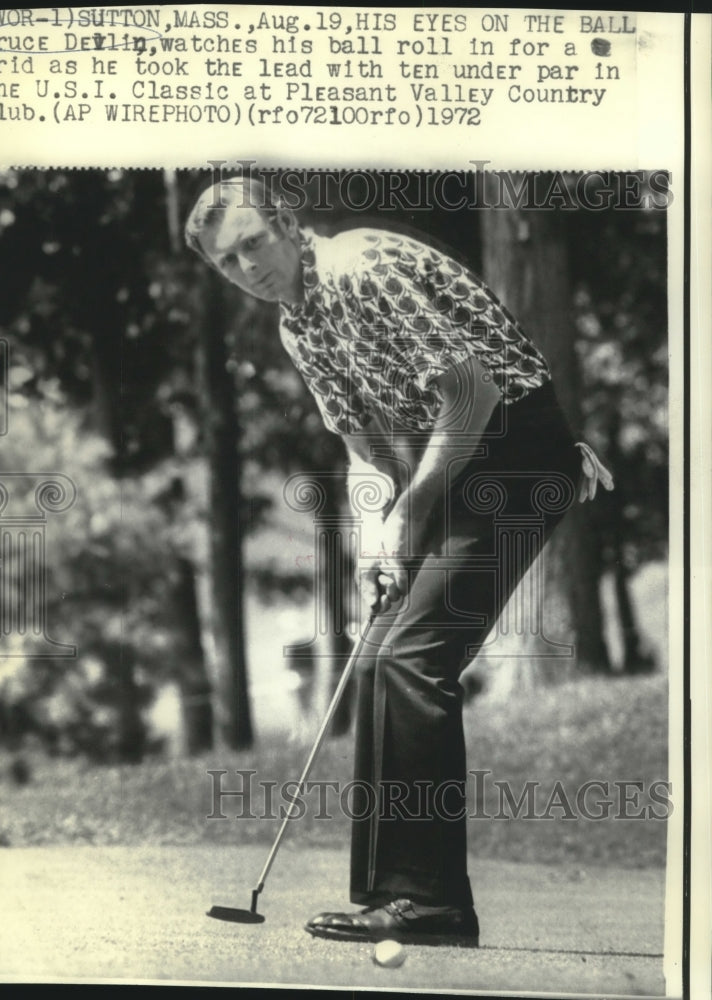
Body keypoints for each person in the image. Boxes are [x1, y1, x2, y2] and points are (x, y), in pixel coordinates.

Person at [185, 174, 613, 947]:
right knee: (381, 657)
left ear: (286, 225)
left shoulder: (356, 268)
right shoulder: (298, 324)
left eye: (253, 244)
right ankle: (391, 894)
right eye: (227, 263)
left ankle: (433, 903)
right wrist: (375, 540)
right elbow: (364, 449)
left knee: (415, 657)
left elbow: (473, 396)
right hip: (465, 465)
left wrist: (411, 512)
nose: (247, 268)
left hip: (516, 451)